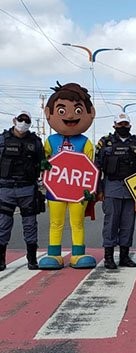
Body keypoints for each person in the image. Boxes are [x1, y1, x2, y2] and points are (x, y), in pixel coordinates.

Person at [39, 82, 97, 270]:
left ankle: (78, 254)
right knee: (55, 223)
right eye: (62, 111)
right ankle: (54, 254)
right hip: (55, 190)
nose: (71, 116)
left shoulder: (86, 142)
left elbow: (92, 167)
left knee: (77, 223)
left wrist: (92, 190)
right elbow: (42, 159)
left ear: (90, 113)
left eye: (78, 110)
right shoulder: (50, 140)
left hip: (78, 192)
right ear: (49, 113)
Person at [95, 113, 136, 269]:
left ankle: (124, 256)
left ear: (130, 126)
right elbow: (97, 167)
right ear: (114, 125)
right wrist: (98, 189)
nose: (123, 127)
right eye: (120, 124)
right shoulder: (105, 142)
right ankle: (108, 257)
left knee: (128, 224)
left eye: (125, 124)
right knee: (111, 223)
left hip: (132, 188)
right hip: (111, 186)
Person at [0, 111, 45, 271]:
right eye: (21, 120)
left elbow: (43, 163)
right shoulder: (2, 140)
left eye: (26, 120)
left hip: (27, 188)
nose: (23, 123)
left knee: (30, 224)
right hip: (6, 188)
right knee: (3, 224)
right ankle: (1, 259)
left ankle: (31, 259)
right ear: (14, 120)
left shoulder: (36, 142)